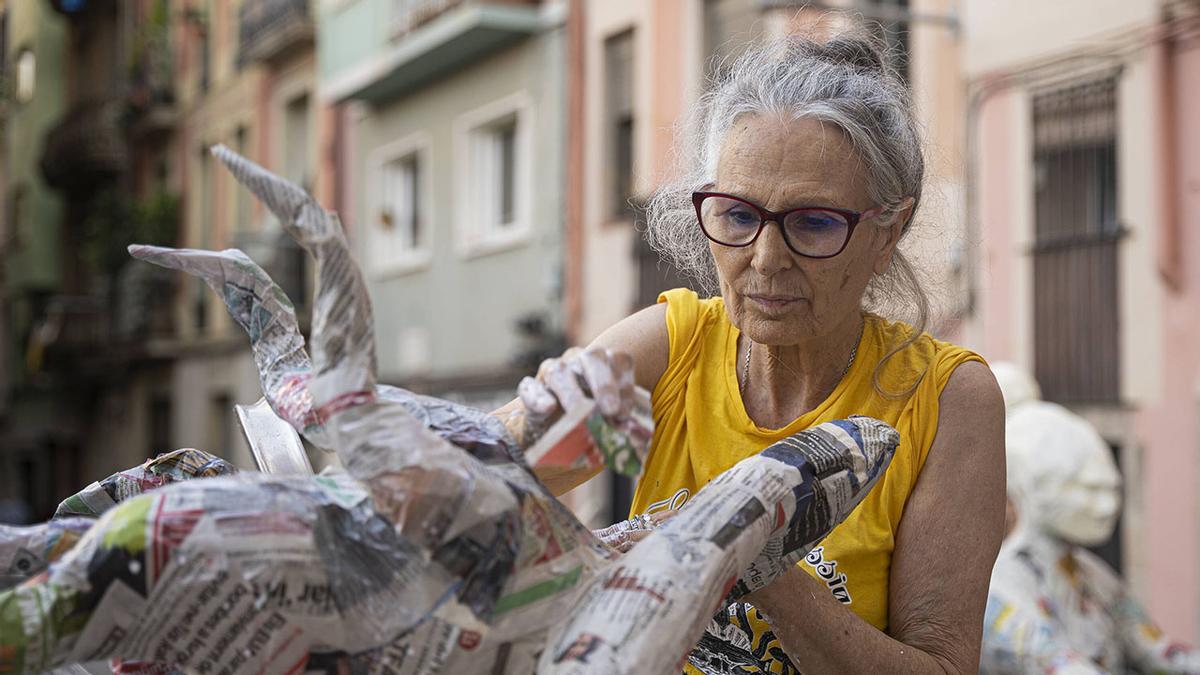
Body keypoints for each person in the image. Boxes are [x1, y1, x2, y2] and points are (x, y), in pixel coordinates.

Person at [493, 23, 1006, 674]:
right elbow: (463, 487)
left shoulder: (946, 398)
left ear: (888, 230)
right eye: (738, 216)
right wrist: (534, 425)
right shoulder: (673, 344)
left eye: (813, 223)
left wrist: (754, 550)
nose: (765, 260)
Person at [983, 372, 1200, 674]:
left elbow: (1158, 650)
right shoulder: (997, 588)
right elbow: (1051, 662)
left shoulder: (1092, 575)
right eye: (1081, 487)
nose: (1106, 503)